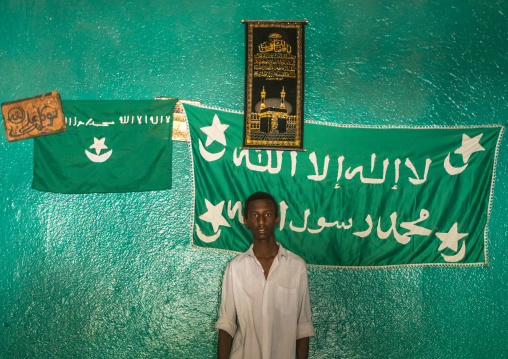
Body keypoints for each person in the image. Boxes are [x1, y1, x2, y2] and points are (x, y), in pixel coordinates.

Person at [215, 191, 315, 359]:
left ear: (277, 219)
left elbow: (303, 325)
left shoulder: (296, 266)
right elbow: (227, 324)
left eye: (267, 214)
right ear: (246, 222)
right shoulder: (236, 268)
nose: (261, 221)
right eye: (254, 215)